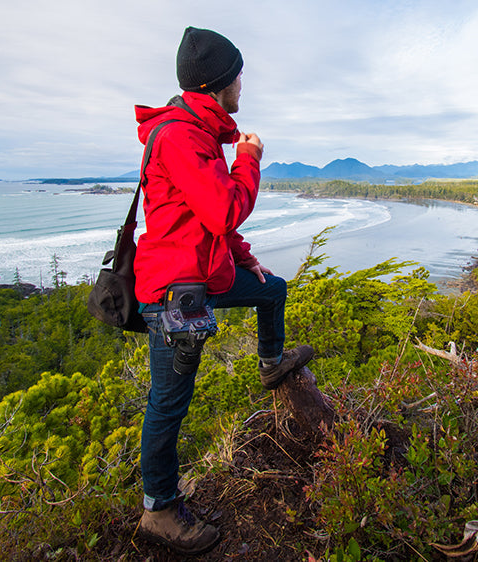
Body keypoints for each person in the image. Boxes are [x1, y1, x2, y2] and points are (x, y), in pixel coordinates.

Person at [133, 26, 314, 554]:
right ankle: (159, 510)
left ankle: (271, 362)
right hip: (175, 291)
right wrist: (251, 157)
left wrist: (243, 258)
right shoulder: (181, 136)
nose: (243, 84)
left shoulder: (200, 130)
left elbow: (207, 218)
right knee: (169, 402)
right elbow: (225, 205)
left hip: (205, 272)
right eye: (238, 75)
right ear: (219, 83)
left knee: (271, 289)